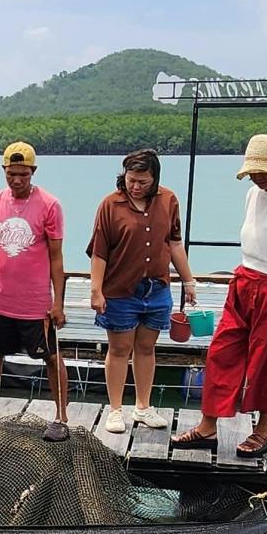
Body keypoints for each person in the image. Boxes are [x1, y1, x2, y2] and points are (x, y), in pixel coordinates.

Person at [171, 134, 267, 459]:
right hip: (246, 281)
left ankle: (262, 431)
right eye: (252, 171)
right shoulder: (253, 195)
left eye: (262, 172)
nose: (256, 177)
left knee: (266, 362)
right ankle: (208, 427)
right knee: (221, 351)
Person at [87, 148, 196, 434]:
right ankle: (114, 410)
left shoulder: (169, 200)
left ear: (155, 179)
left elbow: (174, 243)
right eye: (130, 180)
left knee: (147, 348)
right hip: (120, 290)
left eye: (142, 182)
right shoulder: (110, 205)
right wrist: (96, 290)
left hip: (157, 288)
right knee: (120, 349)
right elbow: (99, 253)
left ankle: (143, 406)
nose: (134, 187)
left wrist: (189, 281)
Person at [0, 142, 69, 442]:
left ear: (33, 172)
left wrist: (57, 303)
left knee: (51, 357)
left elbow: (56, 257)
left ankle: (61, 416)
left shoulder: (50, 205)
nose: (17, 180)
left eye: (23, 174)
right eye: (11, 174)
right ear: (4, 171)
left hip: (36, 304)